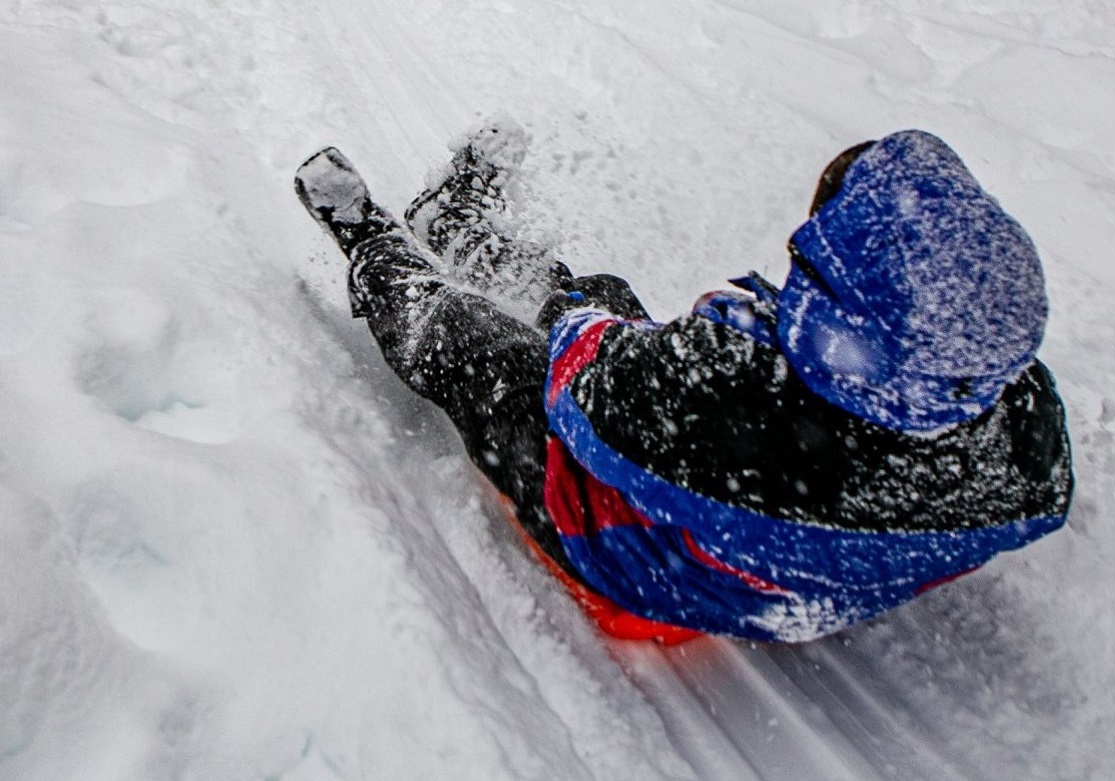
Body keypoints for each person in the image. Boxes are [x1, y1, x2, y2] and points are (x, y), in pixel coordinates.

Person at [294, 125, 1073, 644]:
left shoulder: (727, 390)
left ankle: (378, 244)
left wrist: (588, 314)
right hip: (784, 592)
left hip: (631, 565)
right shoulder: (1025, 438)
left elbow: (584, 379)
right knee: (599, 308)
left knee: (488, 347)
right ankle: (462, 228)